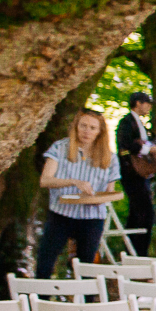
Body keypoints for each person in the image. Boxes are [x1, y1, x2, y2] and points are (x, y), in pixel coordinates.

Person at [35, 108, 122, 278]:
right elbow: (45, 180)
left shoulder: (110, 158)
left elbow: (109, 192)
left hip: (92, 217)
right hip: (60, 214)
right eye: (83, 126)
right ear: (76, 126)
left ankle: (85, 303)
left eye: (92, 128)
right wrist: (74, 182)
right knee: (45, 264)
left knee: (87, 269)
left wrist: (101, 199)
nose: (87, 132)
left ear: (100, 132)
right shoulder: (60, 148)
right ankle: (39, 302)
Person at [116, 91, 156, 256]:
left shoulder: (141, 124)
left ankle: (133, 252)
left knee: (137, 212)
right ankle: (139, 253)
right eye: (147, 103)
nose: (149, 107)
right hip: (131, 172)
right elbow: (125, 144)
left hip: (142, 174)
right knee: (145, 213)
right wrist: (149, 149)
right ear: (138, 103)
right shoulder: (126, 122)